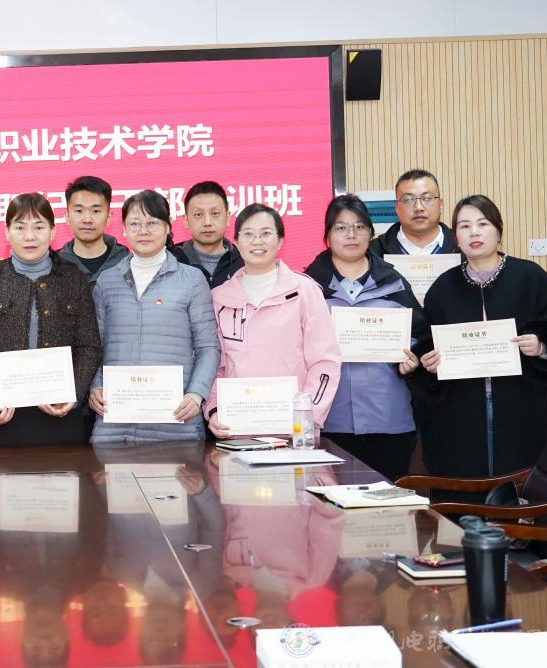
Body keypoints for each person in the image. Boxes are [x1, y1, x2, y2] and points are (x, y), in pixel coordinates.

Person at [417, 195, 547, 478]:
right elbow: (426, 342)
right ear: (456, 237)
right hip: (460, 410)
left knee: (520, 482)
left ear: (498, 231)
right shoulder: (443, 288)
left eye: (483, 224)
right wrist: (428, 361)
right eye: (464, 226)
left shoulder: (529, 277)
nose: (474, 232)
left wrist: (541, 343)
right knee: (466, 482)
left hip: (521, 403)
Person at [304, 195, 428, 479]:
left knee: (385, 503)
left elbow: (421, 336)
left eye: (360, 226)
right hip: (328, 419)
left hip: (388, 419)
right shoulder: (309, 287)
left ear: (371, 234)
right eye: (341, 227)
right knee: (331, 504)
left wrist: (412, 359)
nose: (351, 234)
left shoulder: (395, 284)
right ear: (327, 237)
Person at [0, 193, 103, 446]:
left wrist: (72, 393)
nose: (29, 236)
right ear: (7, 232)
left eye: (39, 227)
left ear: (52, 231)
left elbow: (89, 345)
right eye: (20, 227)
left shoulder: (73, 279)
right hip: (3, 414)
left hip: (60, 414)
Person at [88, 190, 219, 443]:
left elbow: (208, 347)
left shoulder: (192, 280)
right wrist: (95, 386)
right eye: (135, 224)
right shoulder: (107, 280)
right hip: (114, 424)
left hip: (177, 421)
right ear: (123, 229)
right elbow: (95, 345)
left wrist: (196, 394)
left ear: (168, 227)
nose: (144, 231)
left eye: (153, 223)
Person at [203, 204, 342, 438]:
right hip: (237, 430)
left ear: (280, 241)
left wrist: (307, 415)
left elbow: (325, 362)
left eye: (266, 233)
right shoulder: (219, 298)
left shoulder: (304, 291)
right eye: (248, 234)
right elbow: (215, 365)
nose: (257, 241)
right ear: (236, 241)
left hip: (293, 431)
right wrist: (215, 409)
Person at [368, 169, 458, 257]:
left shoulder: (462, 246)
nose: (418, 208)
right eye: (408, 200)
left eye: (427, 198)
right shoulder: (372, 253)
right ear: (397, 208)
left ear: (440, 205)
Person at [56, 176, 128, 282]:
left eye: (96, 211)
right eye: (79, 211)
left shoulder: (127, 262)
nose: (87, 219)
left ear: (108, 217)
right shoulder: (54, 265)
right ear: (67, 217)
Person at [174, 181, 243, 288]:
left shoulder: (244, 261)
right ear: (186, 220)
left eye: (215, 214)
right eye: (198, 214)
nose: (207, 222)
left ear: (228, 217)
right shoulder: (171, 260)